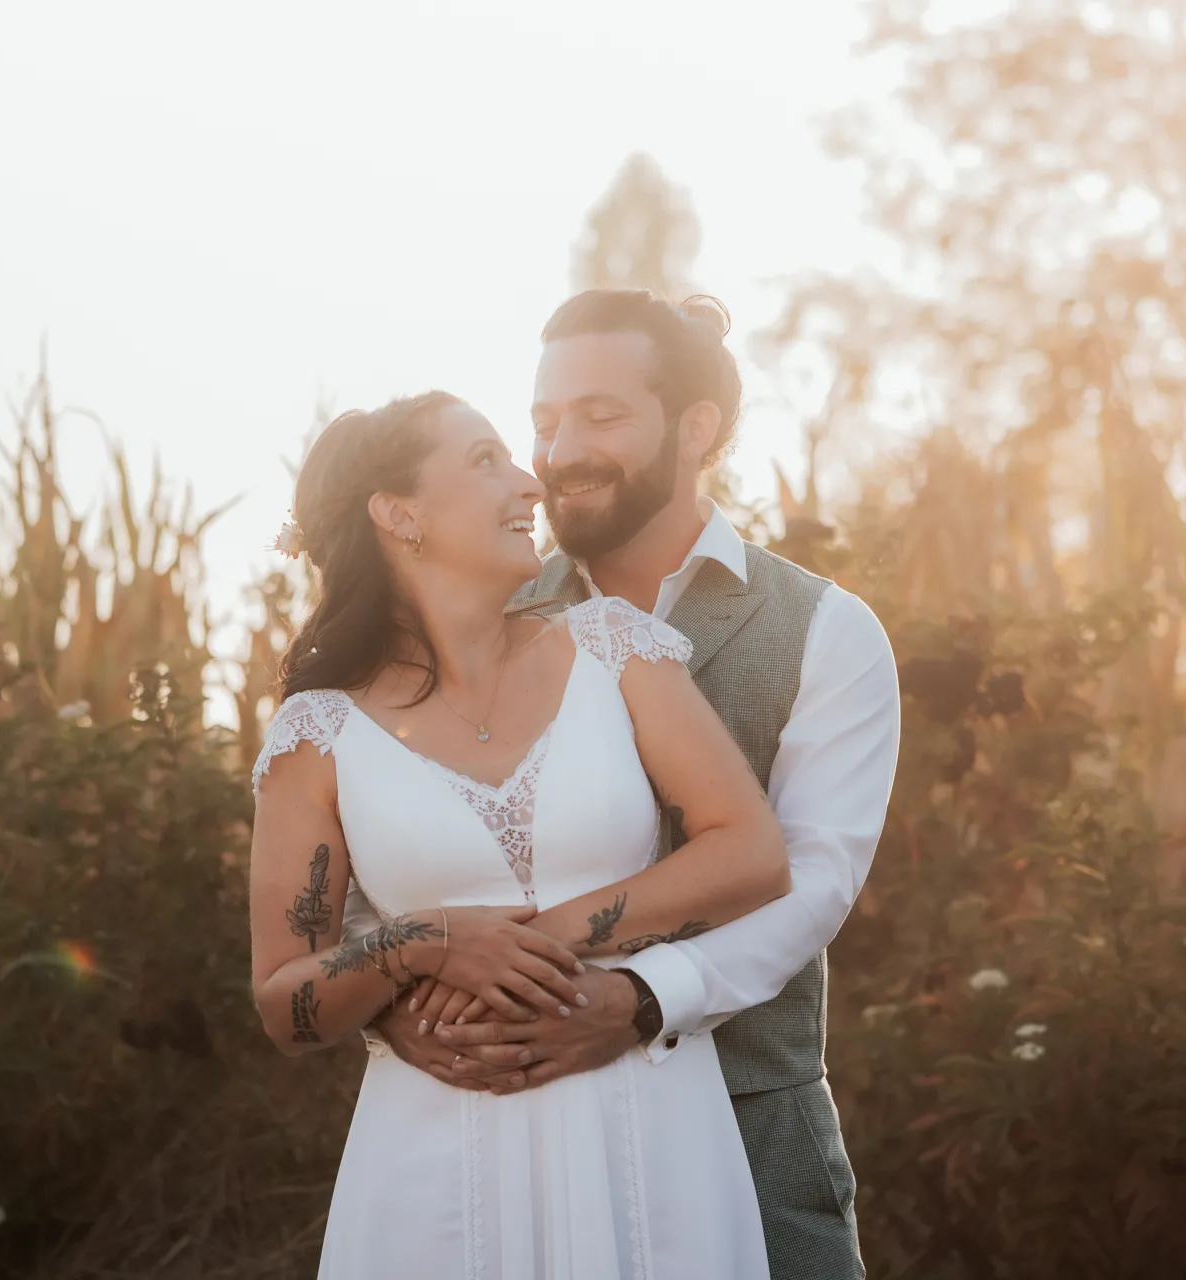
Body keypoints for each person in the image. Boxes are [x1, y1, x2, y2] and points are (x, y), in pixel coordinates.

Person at [364, 291, 902, 1280]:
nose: (559, 450)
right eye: (543, 419)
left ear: (696, 428)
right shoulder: (468, 619)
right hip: (498, 1129)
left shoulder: (827, 630)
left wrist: (641, 996)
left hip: (749, 1126)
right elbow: (371, 834)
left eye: (601, 416)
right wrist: (388, 1002)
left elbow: (814, 880)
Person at [249, 389, 791, 1277]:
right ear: (399, 514)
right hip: (436, 1165)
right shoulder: (318, 735)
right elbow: (285, 1003)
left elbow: (751, 851)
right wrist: (426, 943)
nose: (530, 483)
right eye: (485, 461)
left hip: (644, 1132)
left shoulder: (614, 648)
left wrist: (534, 942)